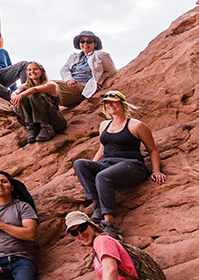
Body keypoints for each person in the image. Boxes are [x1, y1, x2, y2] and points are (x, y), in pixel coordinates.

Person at [71, 91, 167, 230]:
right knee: (79, 163)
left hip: (131, 165)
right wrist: (88, 168)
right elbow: (102, 150)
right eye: (106, 103)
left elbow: (152, 150)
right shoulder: (104, 125)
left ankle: (109, 224)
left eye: (112, 102)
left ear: (122, 103)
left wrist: (156, 170)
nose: (109, 105)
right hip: (107, 164)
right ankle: (97, 205)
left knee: (102, 177)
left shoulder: (136, 125)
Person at [56, 31, 118, 109]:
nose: (85, 44)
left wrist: (98, 81)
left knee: (50, 84)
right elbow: (64, 69)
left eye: (89, 41)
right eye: (82, 41)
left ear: (95, 44)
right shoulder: (74, 57)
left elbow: (112, 71)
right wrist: (69, 80)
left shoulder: (101, 55)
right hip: (70, 86)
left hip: (84, 87)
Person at [10, 61, 68, 143]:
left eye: (35, 69)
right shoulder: (25, 86)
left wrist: (21, 95)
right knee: (22, 98)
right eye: (29, 70)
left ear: (42, 71)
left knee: (34, 95)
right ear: (26, 73)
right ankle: (31, 127)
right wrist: (15, 97)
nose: (32, 72)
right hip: (37, 124)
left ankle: (46, 128)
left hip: (55, 121)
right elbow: (14, 93)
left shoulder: (51, 85)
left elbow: (35, 89)